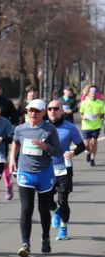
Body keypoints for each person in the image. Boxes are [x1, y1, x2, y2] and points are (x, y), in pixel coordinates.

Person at [9, 99, 62, 257]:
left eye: (36, 111)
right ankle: (26, 244)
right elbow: (15, 142)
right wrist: (12, 159)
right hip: (25, 172)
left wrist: (45, 147)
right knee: (27, 208)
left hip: (44, 173)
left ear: (43, 113)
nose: (33, 114)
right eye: (30, 110)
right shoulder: (20, 129)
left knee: (43, 209)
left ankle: (45, 237)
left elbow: (58, 151)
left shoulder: (49, 129)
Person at [46, 100, 86, 240]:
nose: (52, 111)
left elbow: (81, 146)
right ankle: (56, 211)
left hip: (64, 169)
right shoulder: (42, 127)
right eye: (49, 108)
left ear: (62, 111)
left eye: (56, 108)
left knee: (63, 200)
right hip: (46, 170)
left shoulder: (70, 128)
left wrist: (73, 153)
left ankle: (63, 229)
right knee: (47, 201)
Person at [78, 85, 104, 167]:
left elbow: (103, 114)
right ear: (88, 93)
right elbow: (81, 113)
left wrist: (99, 115)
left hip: (96, 126)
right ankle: (88, 152)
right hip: (86, 126)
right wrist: (83, 117)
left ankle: (93, 158)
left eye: (94, 93)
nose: (93, 94)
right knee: (86, 144)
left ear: (96, 94)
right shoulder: (84, 102)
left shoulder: (100, 103)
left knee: (93, 142)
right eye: (91, 93)